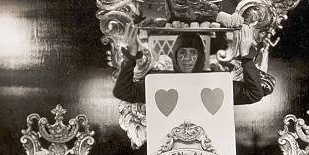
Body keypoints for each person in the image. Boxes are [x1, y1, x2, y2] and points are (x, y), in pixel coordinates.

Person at [112, 24, 264, 105]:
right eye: (182, 52)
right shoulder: (159, 82)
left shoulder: (214, 83)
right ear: (175, 55)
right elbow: (122, 92)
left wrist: (246, 58)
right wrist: (131, 57)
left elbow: (254, 94)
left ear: (200, 57)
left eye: (193, 53)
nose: (187, 58)